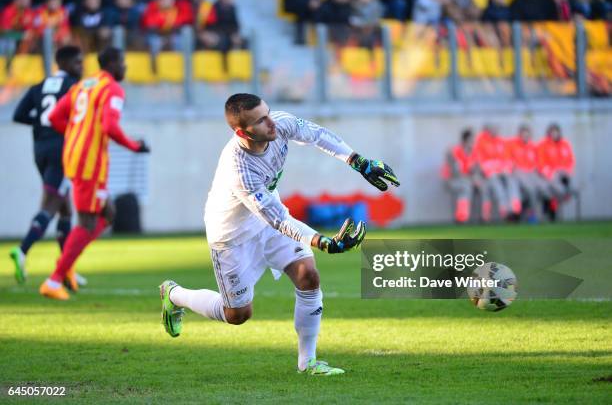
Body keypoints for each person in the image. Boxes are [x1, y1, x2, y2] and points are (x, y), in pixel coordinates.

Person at [159, 93, 400, 376]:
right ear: (242, 132)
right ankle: (173, 294)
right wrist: (324, 242)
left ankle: (307, 363)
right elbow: (279, 219)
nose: (272, 122)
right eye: (261, 120)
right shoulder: (240, 168)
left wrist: (358, 162)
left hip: (267, 222)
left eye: (268, 112)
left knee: (308, 275)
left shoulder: (279, 124)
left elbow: (317, 134)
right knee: (237, 315)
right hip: (233, 236)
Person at [39, 47, 150, 300]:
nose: (125, 68)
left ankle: (66, 263)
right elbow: (110, 126)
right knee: (88, 221)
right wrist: (135, 146)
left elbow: (55, 116)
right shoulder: (113, 89)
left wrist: (76, 133)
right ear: (112, 64)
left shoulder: (83, 85)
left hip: (75, 156)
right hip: (89, 163)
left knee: (108, 213)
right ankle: (54, 279)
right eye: (123, 63)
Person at [9, 45, 83, 286]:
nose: (81, 67)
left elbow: (18, 115)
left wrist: (42, 125)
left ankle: (66, 270)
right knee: (51, 205)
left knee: (65, 209)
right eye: (79, 63)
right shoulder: (73, 86)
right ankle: (22, 250)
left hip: (40, 149)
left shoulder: (39, 86)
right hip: (61, 150)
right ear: (67, 64)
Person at [507, 124, 552, 221]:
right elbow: (509, 160)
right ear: (519, 135)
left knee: (544, 188)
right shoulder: (513, 145)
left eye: (527, 135)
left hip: (532, 173)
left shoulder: (533, 147)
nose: (525, 137)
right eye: (523, 135)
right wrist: (512, 169)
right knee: (529, 190)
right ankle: (525, 214)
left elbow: (539, 162)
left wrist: (543, 172)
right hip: (519, 173)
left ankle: (546, 209)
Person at [537, 123, 576, 220]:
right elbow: (541, 162)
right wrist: (550, 173)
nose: (554, 134)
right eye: (552, 132)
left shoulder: (565, 144)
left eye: (556, 132)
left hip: (563, 175)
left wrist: (567, 171)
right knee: (553, 189)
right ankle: (551, 207)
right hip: (548, 175)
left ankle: (552, 205)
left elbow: (571, 160)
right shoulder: (543, 145)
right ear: (548, 133)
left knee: (566, 189)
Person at [441, 128, 477, 223]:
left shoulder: (472, 153)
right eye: (471, 140)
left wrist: (475, 179)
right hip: (450, 180)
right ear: (465, 140)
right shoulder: (455, 151)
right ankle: (461, 217)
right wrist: (472, 178)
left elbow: (472, 170)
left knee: (467, 186)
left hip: (464, 180)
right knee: (466, 186)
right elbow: (456, 172)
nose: (473, 142)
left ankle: (463, 217)